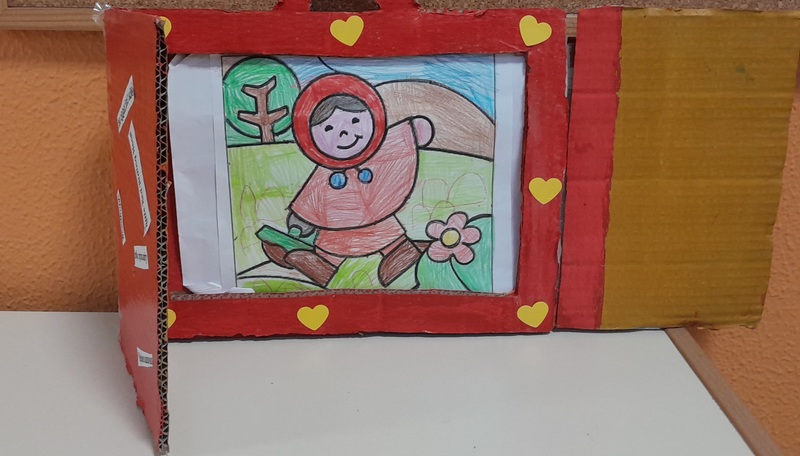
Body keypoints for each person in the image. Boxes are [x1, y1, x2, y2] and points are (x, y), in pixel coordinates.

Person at [261, 73, 434, 287]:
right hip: (336, 241)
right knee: (329, 264)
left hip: (383, 233)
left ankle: (401, 257)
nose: (345, 133)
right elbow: (311, 196)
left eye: (354, 121)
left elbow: (398, 142)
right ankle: (308, 262)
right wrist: (301, 219)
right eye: (329, 128)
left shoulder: (380, 155)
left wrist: (411, 131)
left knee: (398, 253)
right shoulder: (324, 175)